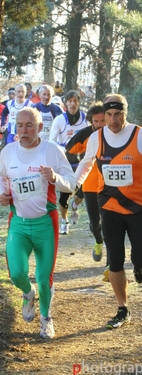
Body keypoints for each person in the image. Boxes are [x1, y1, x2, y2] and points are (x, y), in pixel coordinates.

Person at [75, 93, 142, 329]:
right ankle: (122, 308)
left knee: (139, 257)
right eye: (108, 114)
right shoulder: (97, 138)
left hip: (138, 208)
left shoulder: (141, 136)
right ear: (103, 115)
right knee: (115, 261)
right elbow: (86, 164)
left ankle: (141, 264)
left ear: (125, 114)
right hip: (109, 209)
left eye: (117, 114)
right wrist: (72, 187)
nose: (113, 120)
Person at [0, 108, 76, 338]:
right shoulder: (7, 152)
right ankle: (27, 292)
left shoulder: (52, 151)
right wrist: (3, 195)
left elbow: (71, 184)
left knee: (44, 277)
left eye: (29, 125)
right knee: (17, 274)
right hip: (19, 224)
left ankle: (46, 318)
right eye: (20, 125)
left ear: (40, 127)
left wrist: (55, 178)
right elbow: (2, 180)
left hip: (46, 223)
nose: (24, 130)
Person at [65, 102, 108, 266]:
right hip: (90, 184)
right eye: (96, 121)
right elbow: (69, 150)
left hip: (110, 183)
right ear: (91, 121)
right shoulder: (85, 134)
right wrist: (78, 162)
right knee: (94, 222)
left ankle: (112, 262)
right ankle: (98, 241)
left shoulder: (114, 134)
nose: (100, 124)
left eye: (102, 120)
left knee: (110, 221)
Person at [49, 90, 88, 235]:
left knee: (83, 193)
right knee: (64, 195)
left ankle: (75, 204)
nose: (73, 104)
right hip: (65, 161)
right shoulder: (59, 120)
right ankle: (65, 222)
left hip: (82, 161)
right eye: (70, 101)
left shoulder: (85, 119)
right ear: (66, 103)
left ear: (79, 103)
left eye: (75, 101)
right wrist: (66, 148)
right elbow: (52, 141)